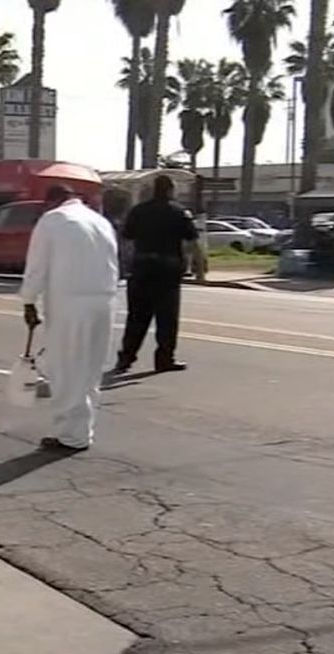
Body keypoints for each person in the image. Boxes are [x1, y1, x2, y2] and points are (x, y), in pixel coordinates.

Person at [20, 185, 119, 453]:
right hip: (105, 302)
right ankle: (82, 431)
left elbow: (37, 266)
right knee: (89, 371)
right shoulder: (101, 221)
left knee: (66, 369)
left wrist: (29, 300)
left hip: (71, 304)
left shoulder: (52, 220)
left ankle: (70, 435)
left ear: (52, 201)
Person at [114, 175, 198, 374]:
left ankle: (126, 358)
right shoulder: (178, 212)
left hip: (141, 268)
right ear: (170, 190)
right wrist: (196, 267)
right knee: (167, 318)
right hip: (167, 270)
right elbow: (191, 239)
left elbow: (126, 236)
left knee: (136, 317)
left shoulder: (138, 211)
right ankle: (164, 359)